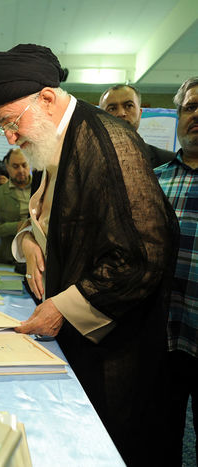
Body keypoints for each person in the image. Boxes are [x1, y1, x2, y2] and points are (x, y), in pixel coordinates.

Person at [0, 43, 178, 465]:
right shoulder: (50, 139)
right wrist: (28, 243)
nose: (10, 137)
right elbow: (49, 217)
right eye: (1, 127)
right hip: (75, 338)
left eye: (11, 122)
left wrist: (62, 307)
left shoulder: (107, 142)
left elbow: (143, 255)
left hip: (116, 348)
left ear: (47, 98)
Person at [154, 76, 198, 465]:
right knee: (160, 439)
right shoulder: (154, 179)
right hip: (162, 338)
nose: (196, 115)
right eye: (190, 107)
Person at [99, 84, 175, 167]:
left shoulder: (170, 161)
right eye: (112, 109)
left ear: (140, 113)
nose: (121, 113)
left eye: (129, 106)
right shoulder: (89, 160)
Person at [0, 148, 31, 265]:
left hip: (39, 259)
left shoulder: (42, 189)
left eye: (24, 165)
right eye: (15, 166)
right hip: (8, 259)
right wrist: (15, 226)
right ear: (7, 167)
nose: (21, 170)